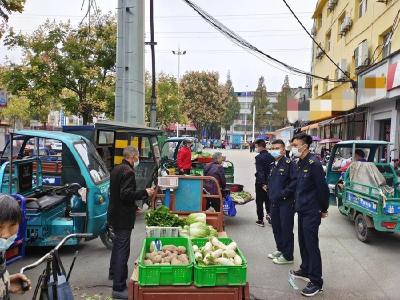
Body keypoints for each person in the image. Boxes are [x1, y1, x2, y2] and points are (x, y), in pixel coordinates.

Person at [108, 146, 154, 299]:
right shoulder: (128, 172)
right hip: (122, 218)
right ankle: (119, 287)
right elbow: (125, 194)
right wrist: (144, 193)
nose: (138, 159)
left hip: (114, 214)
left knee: (116, 246)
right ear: (133, 156)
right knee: (122, 249)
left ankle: (114, 275)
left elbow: (117, 194)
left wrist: (134, 206)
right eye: (138, 156)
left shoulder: (116, 169)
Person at [290, 133, 329, 297]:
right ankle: (305, 269)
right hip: (302, 209)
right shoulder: (300, 163)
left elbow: (322, 188)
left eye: (295, 145)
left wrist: (324, 209)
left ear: (304, 146)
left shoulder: (314, 163)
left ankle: (316, 281)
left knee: (312, 245)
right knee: (303, 241)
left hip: (312, 210)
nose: (293, 148)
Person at [267, 139, 297, 265]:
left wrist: (283, 194)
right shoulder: (273, 164)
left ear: (283, 150)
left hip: (286, 203)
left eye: (277, 148)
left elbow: (294, 182)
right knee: (276, 228)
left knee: (286, 229)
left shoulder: (289, 164)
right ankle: (281, 249)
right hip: (274, 202)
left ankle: (288, 256)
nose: (274, 150)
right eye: (272, 148)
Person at [0, 194, 32, 299]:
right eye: (0, 227)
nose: (6, 234)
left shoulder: (1, 251)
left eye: (13, 225)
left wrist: (6, 282)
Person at [254, 139, 274, 227]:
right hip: (270, 182)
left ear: (260, 146)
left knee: (259, 201)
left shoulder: (258, 157)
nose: (256, 149)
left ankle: (260, 220)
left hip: (260, 183)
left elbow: (260, 171)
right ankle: (270, 216)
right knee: (268, 200)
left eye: (256, 147)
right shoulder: (271, 156)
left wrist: (262, 184)